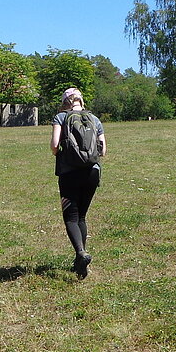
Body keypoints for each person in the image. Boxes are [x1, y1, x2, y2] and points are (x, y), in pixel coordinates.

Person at [49, 88, 106, 279]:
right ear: (81, 101)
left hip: (69, 173)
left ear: (65, 102)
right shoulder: (94, 119)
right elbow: (103, 150)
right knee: (81, 216)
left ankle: (81, 252)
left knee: (71, 217)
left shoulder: (61, 118)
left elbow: (55, 146)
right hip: (92, 172)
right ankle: (79, 259)